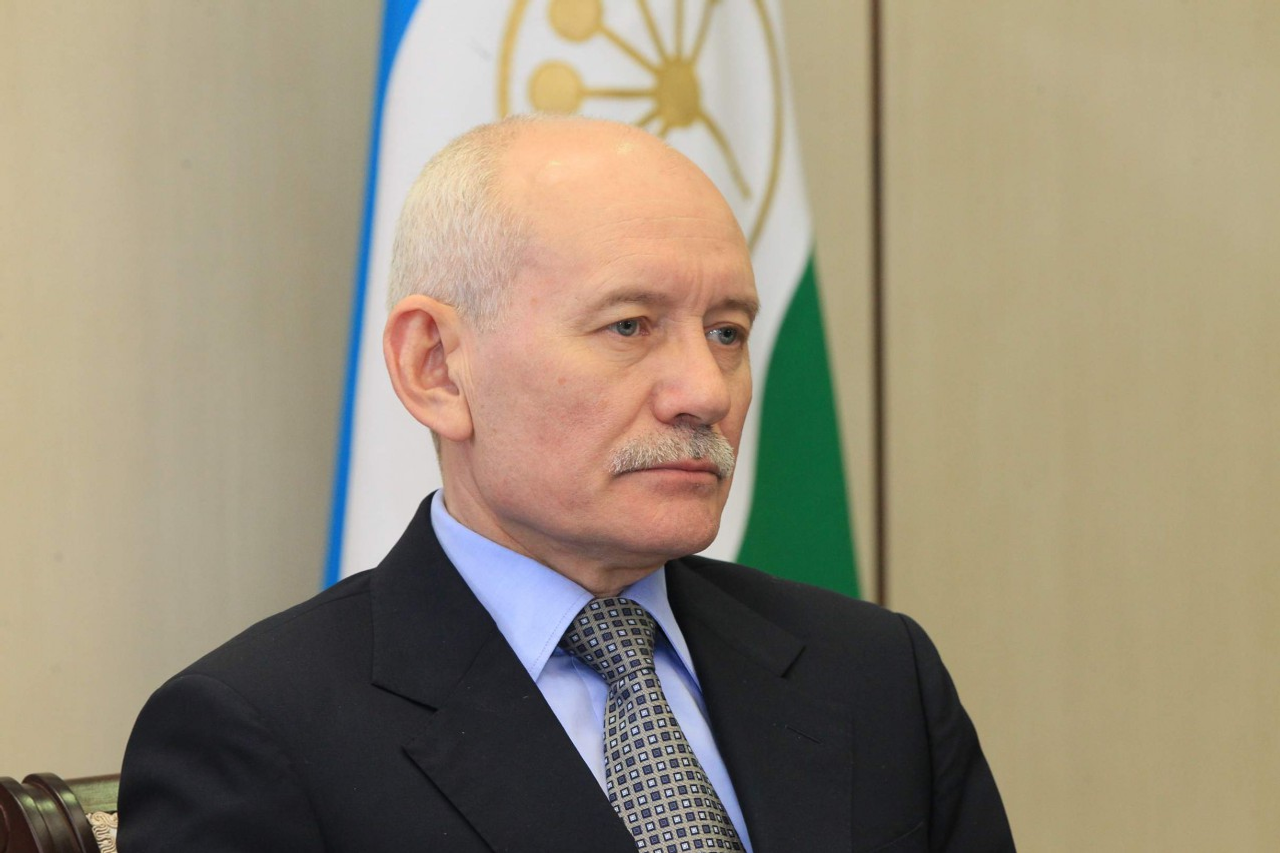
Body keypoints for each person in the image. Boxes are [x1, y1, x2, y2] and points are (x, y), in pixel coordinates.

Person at [120, 116, 1014, 852]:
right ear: (437, 367)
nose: (706, 392)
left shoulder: (875, 673)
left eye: (728, 332)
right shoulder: (260, 733)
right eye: (630, 326)